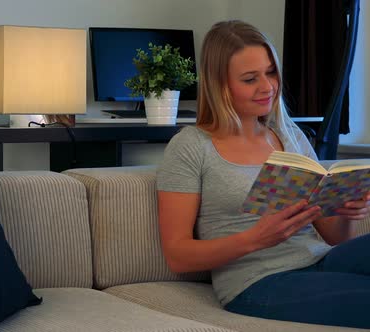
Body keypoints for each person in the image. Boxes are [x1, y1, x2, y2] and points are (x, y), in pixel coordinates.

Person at [156, 20, 370, 329]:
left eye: (271, 72)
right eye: (249, 78)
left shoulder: (289, 135)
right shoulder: (191, 146)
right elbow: (177, 256)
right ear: (220, 84)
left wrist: (348, 211)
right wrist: (255, 239)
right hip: (256, 282)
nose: (267, 86)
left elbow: (334, 237)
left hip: (320, 259)